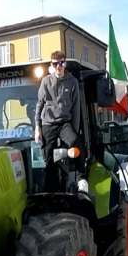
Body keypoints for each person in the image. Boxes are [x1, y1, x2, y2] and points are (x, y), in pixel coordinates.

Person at [34, 51, 81, 189]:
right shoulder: (46, 81)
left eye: (61, 63)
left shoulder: (72, 81)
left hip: (64, 123)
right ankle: (50, 191)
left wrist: (75, 130)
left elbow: (76, 109)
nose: (59, 66)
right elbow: (39, 104)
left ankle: (81, 178)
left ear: (65, 64)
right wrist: (37, 127)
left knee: (75, 142)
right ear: (52, 65)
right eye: (55, 64)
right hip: (48, 123)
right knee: (48, 160)